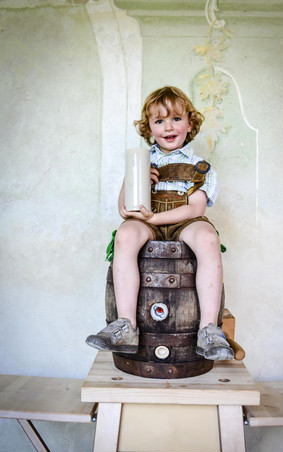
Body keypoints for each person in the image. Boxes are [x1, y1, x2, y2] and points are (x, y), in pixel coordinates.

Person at [86, 86, 234, 360]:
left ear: (190, 123)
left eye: (176, 119)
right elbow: (125, 209)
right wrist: (137, 182)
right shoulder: (141, 161)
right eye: (159, 121)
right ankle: (126, 325)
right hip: (147, 222)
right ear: (149, 128)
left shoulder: (201, 166)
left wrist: (156, 217)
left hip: (184, 221)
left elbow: (196, 207)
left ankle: (208, 329)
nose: (168, 126)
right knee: (126, 234)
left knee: (207, 237)